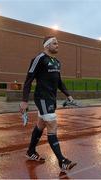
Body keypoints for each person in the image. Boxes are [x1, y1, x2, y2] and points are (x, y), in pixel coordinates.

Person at [20, 36, 77, 172]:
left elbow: (59, 81)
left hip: (51, 99)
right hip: (42, 98)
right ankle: (62, 160)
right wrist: (24, 100)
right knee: (52, 124)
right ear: (46, 45)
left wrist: (68, 96)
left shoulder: (57, 62)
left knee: (41, 124)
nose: (58, 45)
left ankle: (30, 150)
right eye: (55, 43)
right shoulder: (39, 59)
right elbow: (28, 80)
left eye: (58, 43)